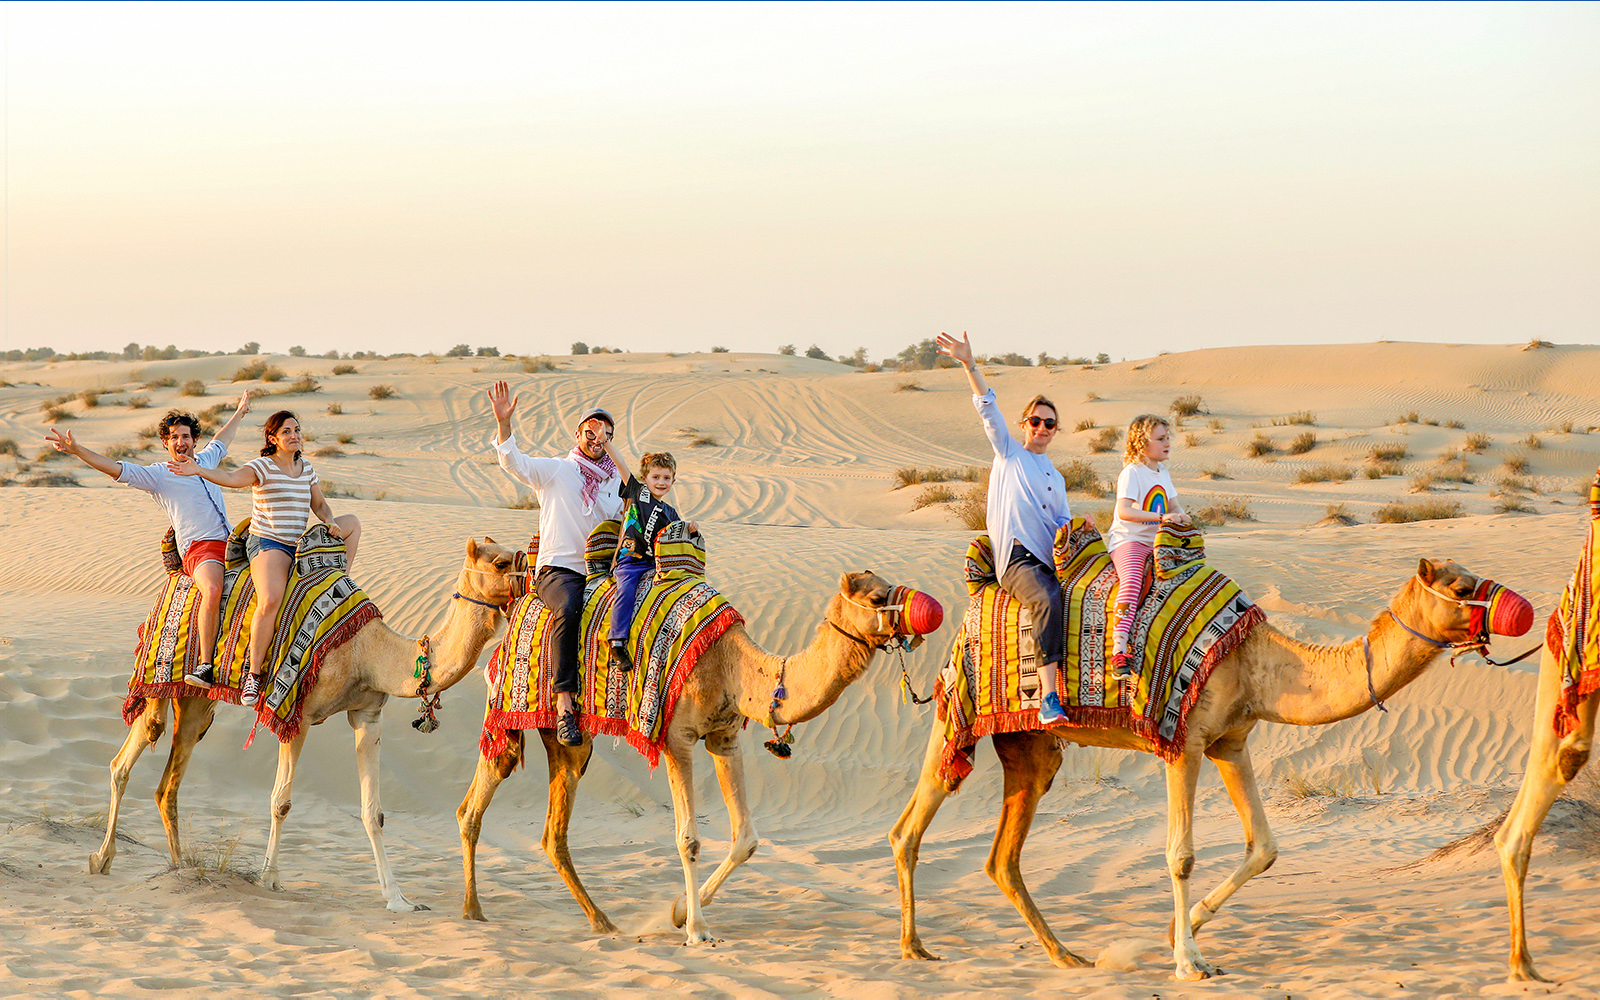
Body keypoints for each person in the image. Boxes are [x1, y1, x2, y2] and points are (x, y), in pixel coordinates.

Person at [46, 390, 255, 689]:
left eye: (185, 436)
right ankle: (207, 664)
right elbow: (115, 468)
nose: (180, 442)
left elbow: (223, 438)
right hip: (200, 547)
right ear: (165, 443)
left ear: (194, 440)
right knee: (212, 588)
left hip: (234, 541)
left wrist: (240, 411)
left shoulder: (206, 459)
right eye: (174, 438)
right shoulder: (158, 475)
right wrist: (79, 451)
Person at [170, 410, 361, 707]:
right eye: (286, 431)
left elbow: (320, 503)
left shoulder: (306, 468)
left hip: (299, 542)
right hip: (269, 543)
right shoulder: (262, 466)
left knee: (353, 524)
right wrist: (200, 470)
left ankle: (340, 579)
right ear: (273, 439)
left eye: (297, 429)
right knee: (270, 599)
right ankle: (254, 674)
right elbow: (232, 478)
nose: (294, 435)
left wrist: (331, 519)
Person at [936, 331, 1074, 725]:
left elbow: (1062, 522)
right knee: (1047, 600)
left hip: (1050, 558)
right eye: (1036, 421)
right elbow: (987, 409)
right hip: (1017, 560)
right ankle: (1049, 697)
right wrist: (969, 364)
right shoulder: (1010, 453)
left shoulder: (1057, 477)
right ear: (1024, 424)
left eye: (1050, 423)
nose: (1043, 427)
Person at [487, 380, 624, 746]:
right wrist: (504, 423)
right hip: (558, 571)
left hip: (600, 572)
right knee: (568, 608)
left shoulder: (614, 482)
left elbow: (641, 503)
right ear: (578, 433)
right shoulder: (557, 470)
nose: (598, 438)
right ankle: (565, 704)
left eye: (606, 434)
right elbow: (514, 463)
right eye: (591, 431)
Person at [1105, 414, 1190, 681]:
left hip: (1159, 541)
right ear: (1142, 444)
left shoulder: (1162, 472)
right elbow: (1125, 511)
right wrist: (1162, 518)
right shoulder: (1132, 472)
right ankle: (1118, 648)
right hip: (1129, 540)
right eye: (1161, 439)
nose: (1167, 444)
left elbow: (1173, 505)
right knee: (1131, 582)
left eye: (1168, 438)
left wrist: (1183, 516)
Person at [601, 445, 697, 672]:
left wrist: (691, 528)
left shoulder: (671, 513)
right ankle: (616, 641)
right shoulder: (636, 491)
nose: (661, 482)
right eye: (656, 477)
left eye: (666, 477)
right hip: (630, 561)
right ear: (644, 478)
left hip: (655, 565)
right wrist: (606, 442)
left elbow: (679, 536)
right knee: (626, 589)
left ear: (673, 481)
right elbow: (621, 464)